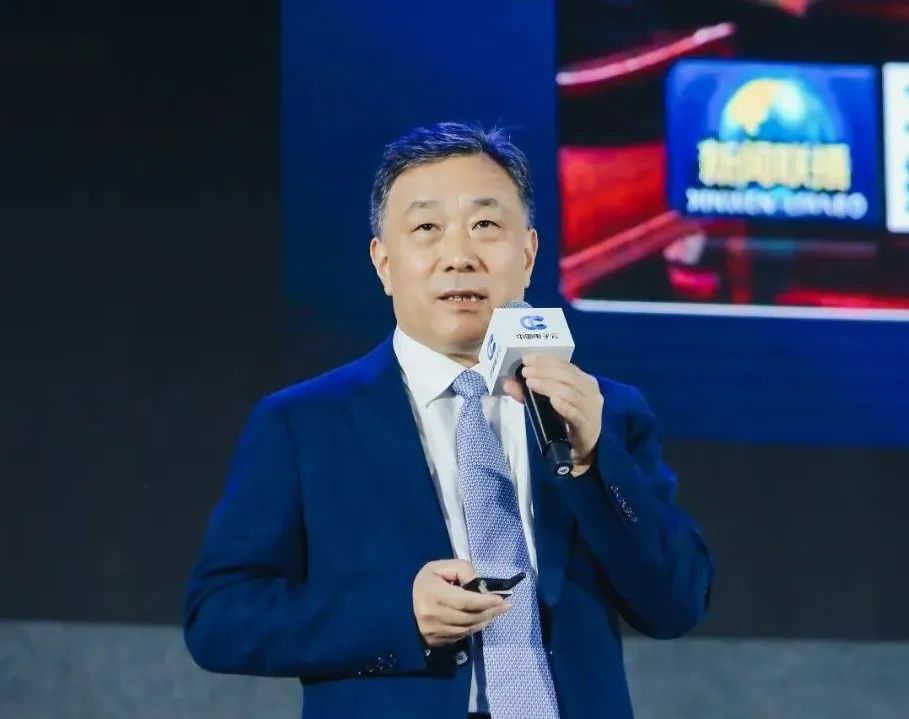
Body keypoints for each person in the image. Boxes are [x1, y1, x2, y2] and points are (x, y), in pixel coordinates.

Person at [182, 122, 714, 719]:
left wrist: (594, 462)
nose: (459, 256)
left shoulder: (602, 412)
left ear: (528, 254)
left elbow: (676, 603)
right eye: (426, 228)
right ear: (384, 263)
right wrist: (399, 616)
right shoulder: (304, 425)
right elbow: (219, 617)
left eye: (485, 225)